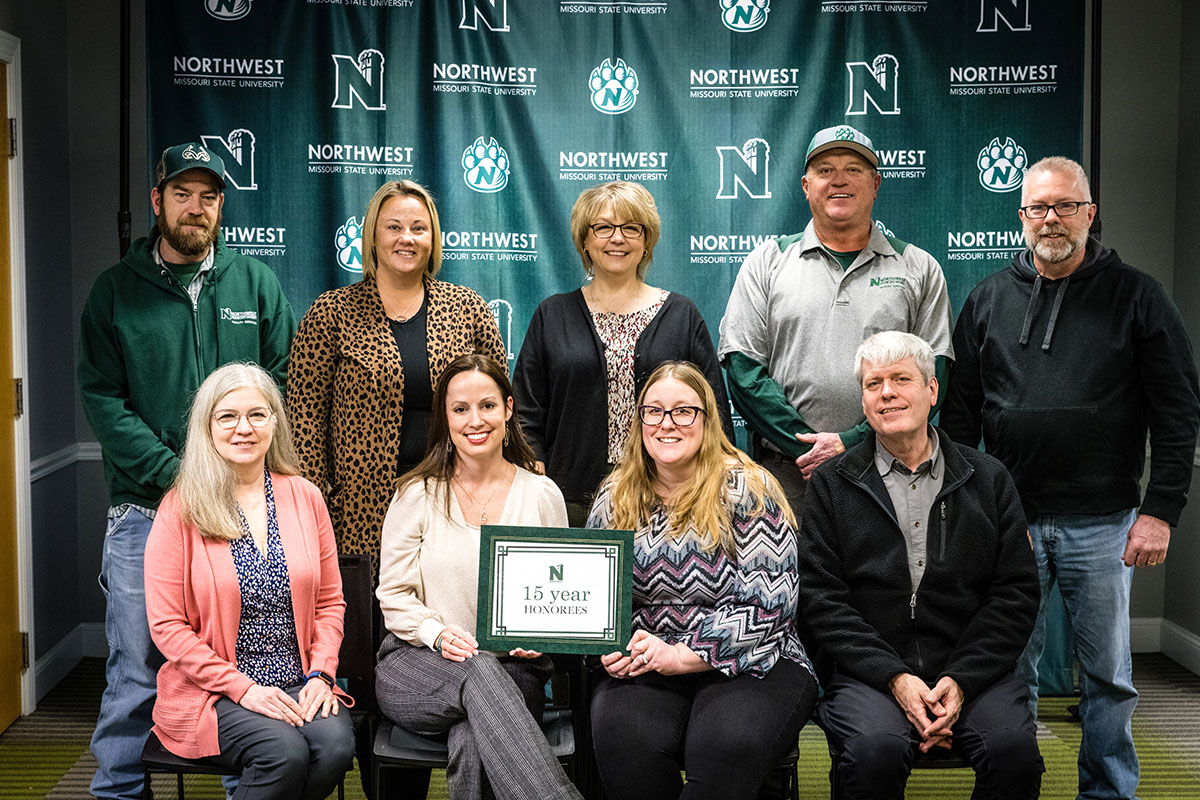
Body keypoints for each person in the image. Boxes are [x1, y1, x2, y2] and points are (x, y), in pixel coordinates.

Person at [941, 156, 1200, 800]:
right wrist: (973, 512)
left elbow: (1178, 410)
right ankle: (1012, 784)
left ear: (1090, 213)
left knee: (1108, 676)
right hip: (1011, 524)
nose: (1050, 218)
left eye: (1065, 206)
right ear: (1020, 217)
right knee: (1008, 671)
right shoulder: (986, 300)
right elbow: (960, 418)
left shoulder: (1138, 297)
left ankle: (1109, 791)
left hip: (1106, 522)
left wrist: (1161, 509)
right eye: (1037, 208)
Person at [78, 142, 297, 800]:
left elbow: (280, 385)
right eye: (182, 193)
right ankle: (119, 792)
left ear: (221, 205)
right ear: (157, 201)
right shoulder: (114, 293)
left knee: (241, 662)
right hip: (148, 513)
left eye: (208, 196)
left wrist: (237, 476)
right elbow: (103, 401)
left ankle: (246, 787)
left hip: (244, 513)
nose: (195, 207)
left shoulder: (254, 284)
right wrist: (183, 478)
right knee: (139, 668)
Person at [800, 331, 1042, 800]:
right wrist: (896, 678)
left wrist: (961, 680)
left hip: (970, 669)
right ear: (864, 400)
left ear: (932, 391)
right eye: (873, 384)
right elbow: (823, 600)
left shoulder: (988, 479)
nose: (886, 392)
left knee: (1013, 752)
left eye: (901, 379)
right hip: (868, 673)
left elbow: (1014, 595)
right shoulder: (832, 484)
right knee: (875, 752)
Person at [586, 361, 815, 800]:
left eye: (683, 411)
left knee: (722, 749)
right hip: (647, 661)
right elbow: (598, 600)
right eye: (653, 411)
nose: (667, 424)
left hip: (755, 661)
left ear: (707, 420)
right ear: (639, 421)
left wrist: (680, 655)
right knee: (627, 746)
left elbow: (769, 605)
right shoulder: (614, 497)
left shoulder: (750, 488)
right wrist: (612, 645)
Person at [374, 354, 583, 800]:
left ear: (508, 409)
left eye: (487, 406)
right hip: (415, 665)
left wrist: (541, 637)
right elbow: (393, 595)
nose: (475, 420)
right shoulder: (416, 494)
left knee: (473, 738)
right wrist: (436, 633)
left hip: (514, 669)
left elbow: (562, 593)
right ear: (444, 418)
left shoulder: (542, 495)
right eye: (460, 409)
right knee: (478, 669)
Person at [144, 363, 355, 800]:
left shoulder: (305, 497)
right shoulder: (180, 507)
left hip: (301, 677)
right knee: (284, 753)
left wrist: (321, 674)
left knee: (335, 748)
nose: (244, 428)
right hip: (215, 688)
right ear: (208, 426)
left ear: (275, 423)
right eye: (228, 417)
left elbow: (330, 603)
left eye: (257, 415)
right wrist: (244, 690)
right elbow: (167, 626)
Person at [718, 124, 953, 513]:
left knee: (887, 575)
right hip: (789, 474)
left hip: (889, 468)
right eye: (825, 170)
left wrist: (853, 442)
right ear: (806, 185)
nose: (839, 180)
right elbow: (743, 372)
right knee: (786, 575)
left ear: (876, 183)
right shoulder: (768, 261)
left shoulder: (917, 266)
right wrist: (809, 448)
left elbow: (935, 374)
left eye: (853, 170)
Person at [287, 179, 507, 575]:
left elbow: (501, 404)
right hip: (358, 510)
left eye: (418, 228)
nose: (407, 238)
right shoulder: (331, 313)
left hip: (453, 499)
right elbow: (304, 421)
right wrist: (317, 503)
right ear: (372, 236)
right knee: (365, 626)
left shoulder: (468, 308)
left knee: (449, 615)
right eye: (393, 227)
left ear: (433, 238)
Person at [514, 181, 732, 526]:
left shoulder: (681, 315)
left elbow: (714, 409)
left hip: (668, 499)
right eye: (603, 227)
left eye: (632, 228)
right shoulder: (552, 315)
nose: (618, 238)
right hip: (568, 501)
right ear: (584, 240)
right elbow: (526, 411)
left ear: (647, 241)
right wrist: (535, 475)